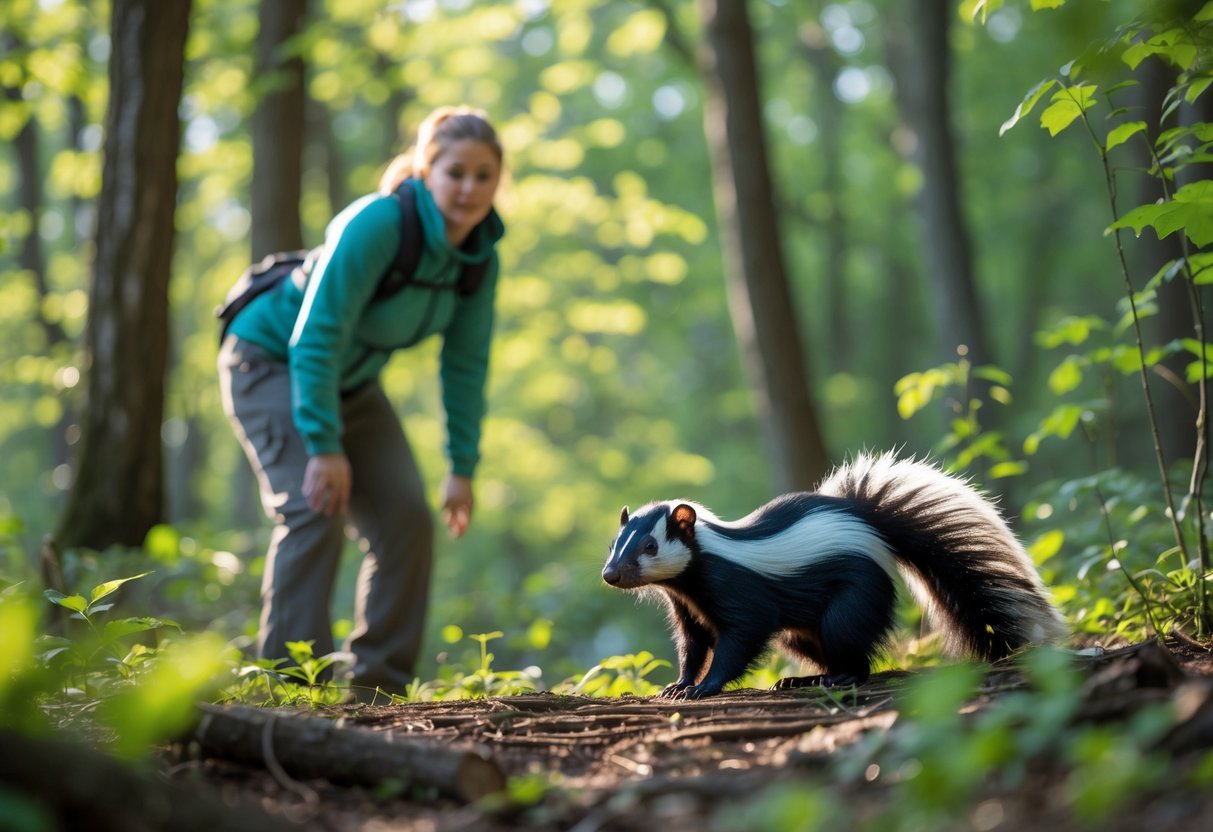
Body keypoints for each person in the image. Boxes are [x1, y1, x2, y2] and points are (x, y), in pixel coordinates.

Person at [217, 106, 505, 700]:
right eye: (456, 173)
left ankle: (378, 689)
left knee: (405, 519)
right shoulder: (378, 224)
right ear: (427, 171)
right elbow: (314, 336)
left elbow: (465, 367)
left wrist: (462, 466)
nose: (469, 188)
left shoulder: (478, 261)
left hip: (351, 383)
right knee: (311, 505)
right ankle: (291, 689)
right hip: (269, 360)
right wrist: (323, 446)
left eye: (484, 175)